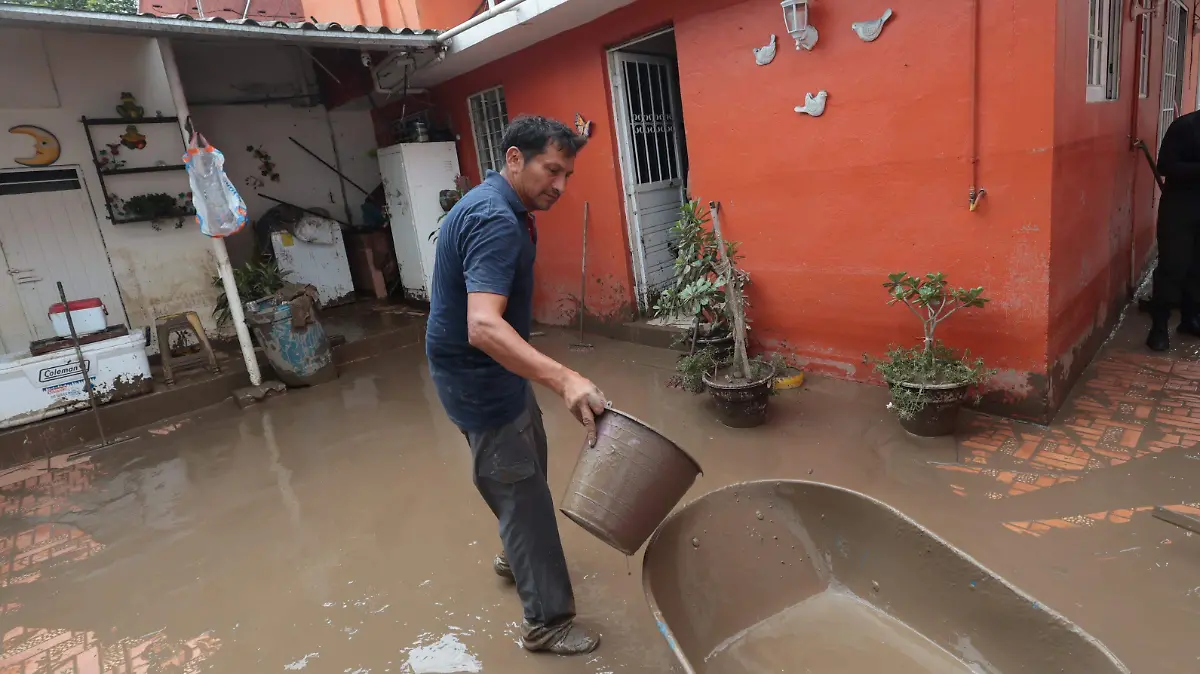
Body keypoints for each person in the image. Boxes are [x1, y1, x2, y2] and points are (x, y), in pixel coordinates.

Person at [425, 115, 607, 656]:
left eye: (567, 174)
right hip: (479, 377)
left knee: (526, 464)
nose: (561, 185)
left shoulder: (502, 205)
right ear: (513, 158)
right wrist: (566, 378)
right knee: (521, 490)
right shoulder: (495, 219)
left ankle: (516, 552)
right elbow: (483, 326)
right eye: (551, 170)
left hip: (494, 371)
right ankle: (547, 624)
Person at [1148, 109, 1200, 351]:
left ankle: (1190, 319)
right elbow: (1165, 166)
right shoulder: (1185, 126)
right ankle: (1159, 327)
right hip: (1180, 208)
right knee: (1173, 266)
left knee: (1197, 268)